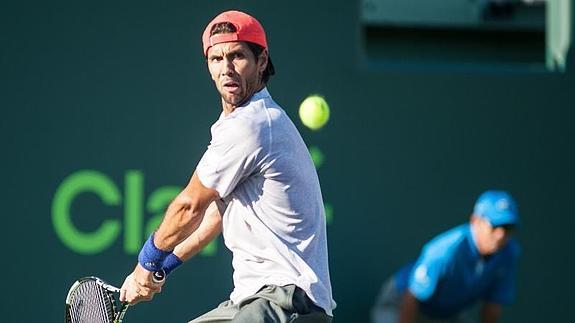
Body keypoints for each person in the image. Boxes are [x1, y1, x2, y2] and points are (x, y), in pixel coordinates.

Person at [119, 9, 336, 323]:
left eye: (237, 56)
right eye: (216, 59)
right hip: (251, 299)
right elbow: (213, 216)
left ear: (261, 62)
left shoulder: (253, 124)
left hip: (286, 301)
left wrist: (146, 263)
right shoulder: (240, 123)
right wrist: (163, 268)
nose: (226, 69)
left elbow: (189, 206)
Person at [372, 190, 520, 323]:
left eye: (507, 228)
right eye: (494, 226)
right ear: (475, 221)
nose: (501, 235)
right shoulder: (446, 250)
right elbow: (412, 296)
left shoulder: (508, 253)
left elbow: (493, 305)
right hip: (401, 304)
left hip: (446, 316)